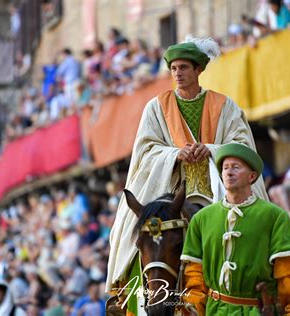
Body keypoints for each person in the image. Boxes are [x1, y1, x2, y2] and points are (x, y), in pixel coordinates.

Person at [106, 36, 268, 310]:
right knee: (131, 234)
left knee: (256, 229)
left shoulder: (224, 105)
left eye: (183, 68)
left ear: (198, 70)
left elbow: (241, 145)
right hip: (167, 194)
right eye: (173, 69)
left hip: (216, 192)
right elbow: (145, 150)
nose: (178, 74)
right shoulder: (156, 107)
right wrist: (173, 154)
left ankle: (267, 293)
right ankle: (125, 300)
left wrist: (212, 149)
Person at [181, 143, 290, 315]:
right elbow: (194, 276)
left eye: (236, 167)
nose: (229, 172)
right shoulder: (201, 219)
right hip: (214, 311)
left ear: (251, 176)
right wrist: (193, 308)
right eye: (225, 168)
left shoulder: (275, 216)